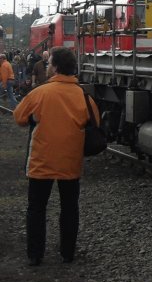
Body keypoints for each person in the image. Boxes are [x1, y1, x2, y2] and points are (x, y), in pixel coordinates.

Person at [13, 47, 98, 266]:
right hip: (70, 161)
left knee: (36, 208)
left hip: (41, 161)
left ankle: (35, 254)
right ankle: (67, 252)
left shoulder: (41, 93)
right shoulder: (82, 95)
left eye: (50, 63)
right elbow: (94, 120)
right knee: (69, 207)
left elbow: (20, 117)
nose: (48, 66)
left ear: (56, 67)